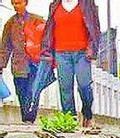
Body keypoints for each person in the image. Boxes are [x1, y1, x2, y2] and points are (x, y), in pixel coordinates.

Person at [40, 0, 101, 128]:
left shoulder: (87, 4)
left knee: (84, 85)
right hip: (61, 53)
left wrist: (92, 48)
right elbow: (49, 30)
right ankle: (70, 120)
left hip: (82, 52)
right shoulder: (54, 6)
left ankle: (87, 113)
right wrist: (46, 51)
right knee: (65, 87)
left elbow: (95, 27)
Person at [0, 0, 45, 123]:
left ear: (25, 3)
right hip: (19, 63)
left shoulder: (37, 20)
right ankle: (25, 118)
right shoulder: (10, 23)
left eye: (18, 3)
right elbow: (5, 46)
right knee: (21, 91)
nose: (16, 6)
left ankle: (29, 119)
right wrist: (1, 65)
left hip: (35, 62)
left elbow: (46, 41)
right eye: (14, 3)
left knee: (33, 91)